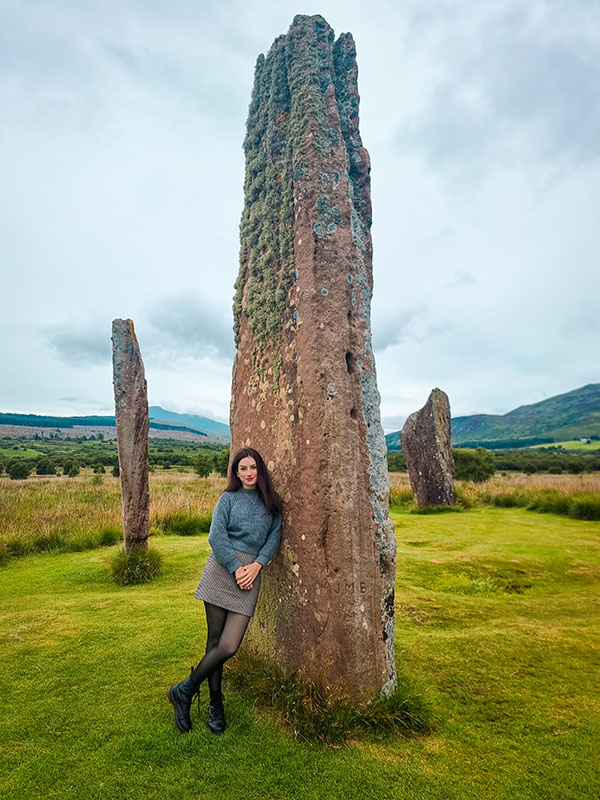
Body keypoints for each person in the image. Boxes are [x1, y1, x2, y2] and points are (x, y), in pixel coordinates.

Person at [167, 447, 282, 734]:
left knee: (229, 646)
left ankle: (184, 690)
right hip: (222, 570)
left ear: (260, 469)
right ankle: (216, 704)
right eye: (242, 468)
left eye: (252, 467)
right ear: (236, 473)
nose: (248, 473)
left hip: (250, 574)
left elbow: (274, 537)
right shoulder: (227, 499)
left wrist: (257, 566)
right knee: (215, 642)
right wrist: (235, 567)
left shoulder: (272, 503)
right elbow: (215, 536)